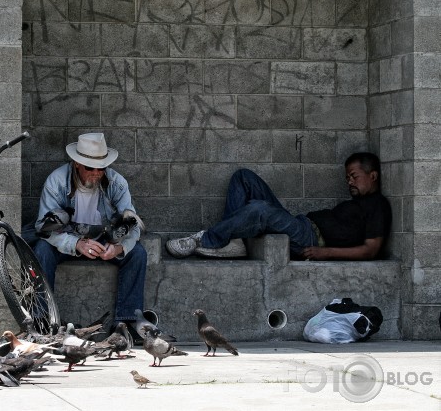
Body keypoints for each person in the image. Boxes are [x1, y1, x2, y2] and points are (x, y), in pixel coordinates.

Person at [166, 152, 392, 261]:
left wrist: (326, 253)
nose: (349, 182)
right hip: (302, 224)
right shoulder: (358, 203)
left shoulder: (377, 206)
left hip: (310, 239)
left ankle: (207, 239)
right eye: (347, 178)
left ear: (373, 176)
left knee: (260, 210)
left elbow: (370, 250)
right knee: (243, 178)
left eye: (354, 176)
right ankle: (233, 242)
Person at [32, 132, 147, 326]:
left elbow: (133, 226)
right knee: (41, 250)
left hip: (104, 238)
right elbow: (43, 228)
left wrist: (118, 248)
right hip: (67, 239)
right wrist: (76, 243)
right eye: (90, 167)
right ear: (76, 163)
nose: (96, 173)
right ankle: (42, 320)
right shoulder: (57, 181)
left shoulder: (117, 183)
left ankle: (126, 324)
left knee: (138, 254)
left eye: (101, 168)